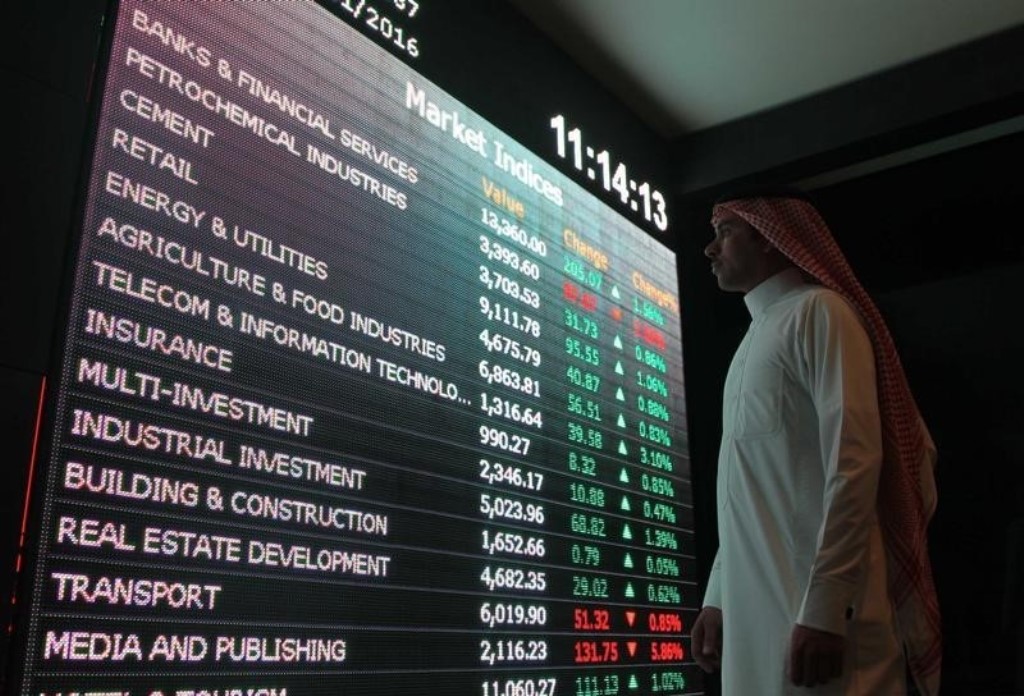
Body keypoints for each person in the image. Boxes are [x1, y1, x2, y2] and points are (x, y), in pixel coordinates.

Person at [691, 190, 941, 695]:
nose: (710, 250)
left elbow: (855, 462)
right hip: (753, 622)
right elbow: (743, 489)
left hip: (820, 624)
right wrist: (718, 598)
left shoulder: (820, 313)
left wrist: (828, 607)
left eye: (725, 233)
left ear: (769, 240)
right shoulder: (749, 344)